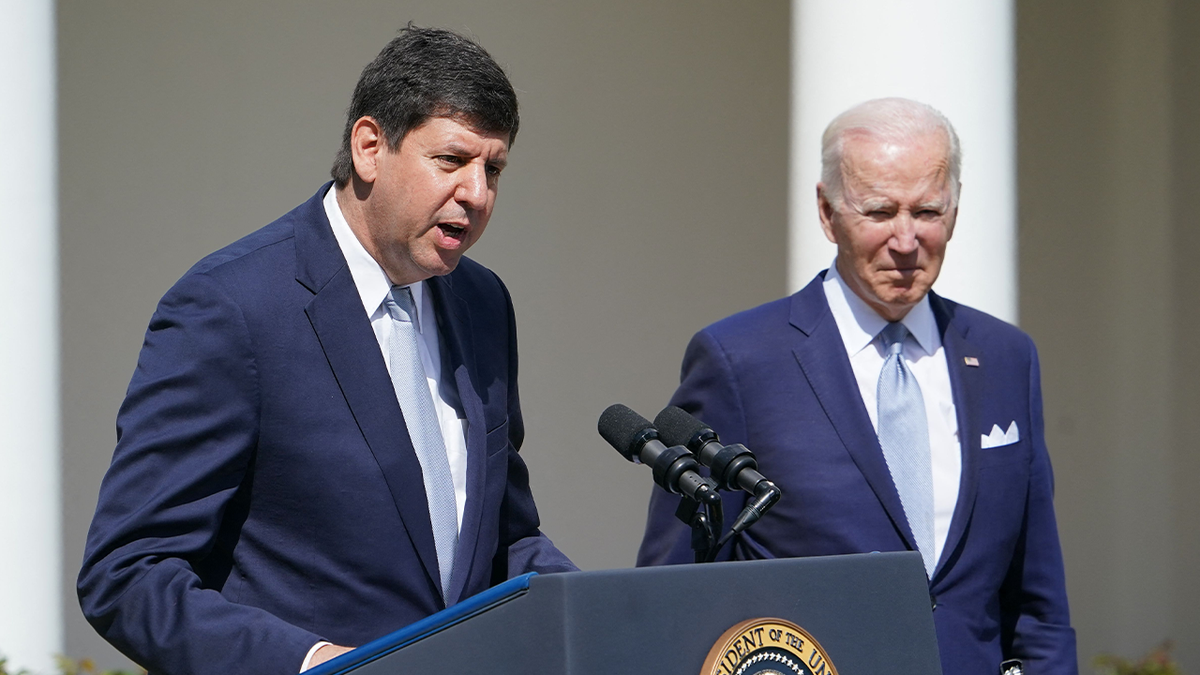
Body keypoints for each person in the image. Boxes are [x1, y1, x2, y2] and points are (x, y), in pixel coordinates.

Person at [78, 25, 576, 675]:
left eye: (495, 168)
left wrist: (606, 613)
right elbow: (127, 572)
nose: (478, 194)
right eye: (452, 161)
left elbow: (505, 542)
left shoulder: (483, 304)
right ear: (370, 147)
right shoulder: (232, 308)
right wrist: (313, 663)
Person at [637, 98, 1076, 674]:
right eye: (878, 211)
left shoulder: (1004, 357)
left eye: (926, 211)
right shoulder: (741, 361)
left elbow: (1038, 602)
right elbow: (675, 590)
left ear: (955, 209)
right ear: (826, 211)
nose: (905, 239)